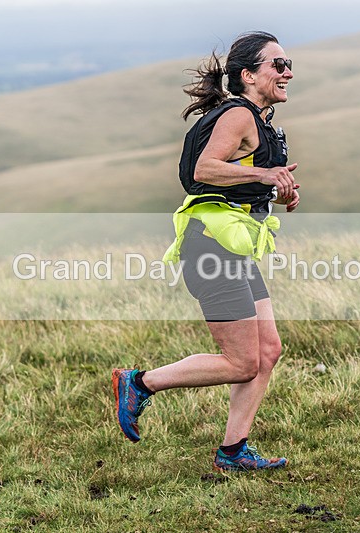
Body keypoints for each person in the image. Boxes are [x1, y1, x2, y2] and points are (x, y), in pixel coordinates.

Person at [111, 31, 300, 472]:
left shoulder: (258, 117)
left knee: (267, 351)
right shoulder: (239, 115)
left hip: (231, 248)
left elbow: (234, 179)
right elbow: (204, 170)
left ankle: (233, 452)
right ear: (248, 75)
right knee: (241, 361)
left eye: (289, 63)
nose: (287, 71)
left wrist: (276, 190)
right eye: (278, 64)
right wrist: (269, 173)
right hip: (211, 250)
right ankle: (139, 383)